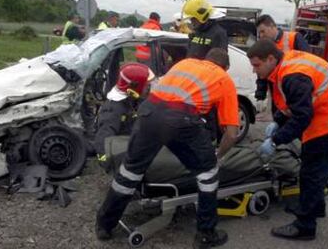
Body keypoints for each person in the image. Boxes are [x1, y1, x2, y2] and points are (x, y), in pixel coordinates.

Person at [95, 48, 239, 248]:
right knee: (208, 173)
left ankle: (104, 224)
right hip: (182, 120)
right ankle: (206, 234)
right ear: (226, 68)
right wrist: (217, 156)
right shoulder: (223, 79)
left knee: (130, 171)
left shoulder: (185, 63)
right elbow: (231, 134)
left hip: (149, 111)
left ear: (205, 59)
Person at [247, 39, 328, 240]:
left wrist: (275, 140)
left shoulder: (292, 75)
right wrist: (279, 121)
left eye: (257, 65)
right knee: (319, 166)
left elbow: (302, 116)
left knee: (311, 172)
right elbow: (298, 104)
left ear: (271, 59)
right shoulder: (286, 64)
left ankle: (305, 226)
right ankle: (315, 207)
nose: (255, 71)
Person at [90, 63, 155, 166]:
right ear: (135, 87)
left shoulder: (132, 99)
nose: (148, 87)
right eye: (146, 85)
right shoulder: (113, 109)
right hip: (126, 151)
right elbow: (102, 141)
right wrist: (109, 163)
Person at [255, 14, 310, 101]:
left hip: (294, 89)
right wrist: (261, 91)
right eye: (259, 33)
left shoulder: (294, 38)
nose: (261, 35)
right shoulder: (264, 46)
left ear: (272, 26)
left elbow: (308, 64)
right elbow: (262, 70)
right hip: (275, 92)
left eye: (263, 31)